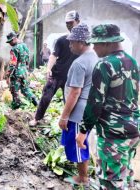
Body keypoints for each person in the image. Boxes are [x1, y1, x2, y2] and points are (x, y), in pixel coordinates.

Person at [76, 24, 140, 189]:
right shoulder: (132, 62)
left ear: (106, 43)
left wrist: (83, 131)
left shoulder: (104, 64)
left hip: (113, 135)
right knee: (125, 175)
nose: (94, 48)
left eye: (96, 44)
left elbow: (95, 103)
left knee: (110, 181)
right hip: (133, 130)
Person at [58, 23, 98, 185]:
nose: (70, 45)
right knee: (84, 142)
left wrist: (64, 116)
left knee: (78, 144)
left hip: (78, 112)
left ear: (81, 42)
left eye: (72, 42)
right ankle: (85, 175)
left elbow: (75, 92)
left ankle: (83, 178)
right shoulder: (95, 57)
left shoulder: (80, 63)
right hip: (89, 109)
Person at [29, 10, 80, 126]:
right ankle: (37, 118)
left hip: (71, 78)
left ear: (78, 22)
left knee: (69, 101)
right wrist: (48, 68)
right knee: (46, 97)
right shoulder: (61, 40)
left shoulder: (83, 42)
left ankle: (69, 122)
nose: (68, 25)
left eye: (71, 23)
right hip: (56, 74)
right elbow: (53, 55)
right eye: (67, 23)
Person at [6, 31, 38, 109]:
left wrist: (8, 75)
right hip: (24, 71)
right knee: (25, 89)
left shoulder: (14, 49)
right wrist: (26, 69)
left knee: (14, 89)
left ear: (14, 39)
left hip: (17, 72)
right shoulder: (24, 46)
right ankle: (36, 103)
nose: (9, 43)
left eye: (10, 41)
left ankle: (16, 106)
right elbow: (27, 58)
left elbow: (13, 63)